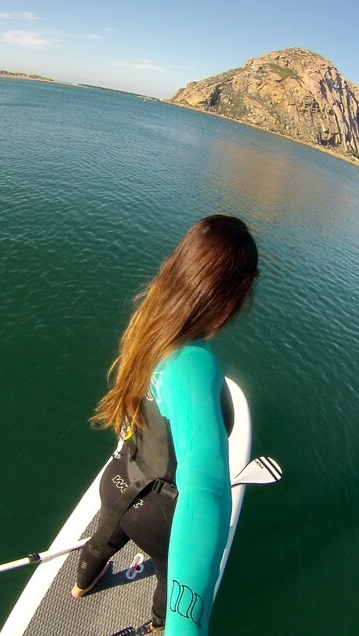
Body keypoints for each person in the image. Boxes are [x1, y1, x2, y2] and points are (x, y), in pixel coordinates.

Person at [71, 215, 259, 635]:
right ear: (232, 298)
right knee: (165, 576)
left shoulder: (150, 320)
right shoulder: (194, 364)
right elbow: (206, 490)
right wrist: (184, 628)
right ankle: (158, 626)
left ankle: (82, 583)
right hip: (160, 518)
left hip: (119, 478)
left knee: (104, 534)